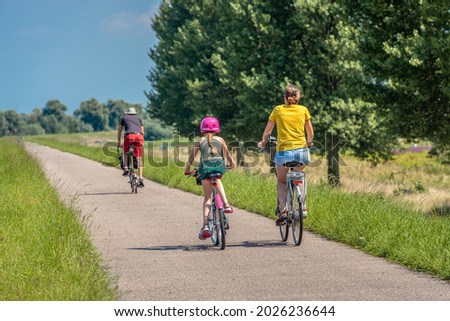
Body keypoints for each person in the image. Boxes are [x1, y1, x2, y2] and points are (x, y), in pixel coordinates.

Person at [258, 84, 314, 225]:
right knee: (299, 177)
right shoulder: (304, 110)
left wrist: (263, 143)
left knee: (282, 181)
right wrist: (309, 142)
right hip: (301, 152)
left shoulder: (278, 110)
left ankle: (283, 211)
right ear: (298, 97)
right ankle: (303, 207)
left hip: (284, 153)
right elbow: (310, 133)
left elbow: (268, 132)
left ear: (285, 97)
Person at [184, 117, 235, 240]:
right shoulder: (220, 139)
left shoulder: (200, 140)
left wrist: (187, 170)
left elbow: (191, 157)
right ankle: (226, 204)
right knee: (218, 179)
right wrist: (232, 164)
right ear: (217, 129)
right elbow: (227, 154)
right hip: (219, 166)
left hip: (205, 168)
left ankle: (206, 225)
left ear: (202, 129)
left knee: (207, 198)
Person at [117, 107, 145, 187]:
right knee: (139, 158)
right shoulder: (139, 118)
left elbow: (119, 131)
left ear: (127, 113)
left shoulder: (124, 118)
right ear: (135, 113)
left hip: (129, 136)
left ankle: (125, 168)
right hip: (139, 136)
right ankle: (141, 178)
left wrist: (119, 143)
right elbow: (142, 132)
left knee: (125, 151)